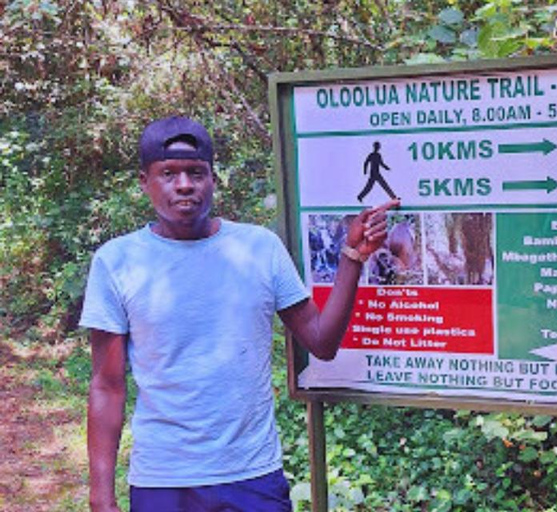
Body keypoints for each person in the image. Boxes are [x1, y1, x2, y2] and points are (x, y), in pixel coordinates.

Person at [81, 116, 399, 511]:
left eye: (196, 172)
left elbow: (322, 342)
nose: (184, 185)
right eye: (169, 173)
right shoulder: (117, 262)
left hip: (251, 475)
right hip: (164, 479)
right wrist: (101, 496)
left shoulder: (259, 248)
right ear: (145, 181)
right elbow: (107, 386)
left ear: (213, 179)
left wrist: (353, 258)